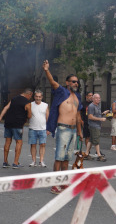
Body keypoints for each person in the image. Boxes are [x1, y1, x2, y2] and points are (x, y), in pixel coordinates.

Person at [42, 60, 83, 194]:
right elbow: (53, 82)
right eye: (73, 81)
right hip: (63, 129)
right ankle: (55, 185)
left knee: (67, 158)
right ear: (67, 83)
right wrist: (47, 70)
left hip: (72, 131)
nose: (76, 83)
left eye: (77, 82)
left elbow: (77, 116)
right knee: (59, 158)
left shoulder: (77, 96)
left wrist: (79, 132)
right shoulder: (62, 92)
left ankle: (64, 183)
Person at [0, 88, 33, 169]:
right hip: (18, 124)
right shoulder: (27, 102)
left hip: (8, 123)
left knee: (7, 142)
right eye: (31, 96)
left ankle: (5, 162)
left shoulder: (13, 99)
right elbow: (29, 116)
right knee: (19, 142)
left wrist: (0, 118)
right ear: (29, 94)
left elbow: (5, 108)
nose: (30, 98)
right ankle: (15, 163)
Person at [84, 93, 109, 161]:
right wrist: (101, 119)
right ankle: (99, 155)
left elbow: (96, 115)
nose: (99, 99)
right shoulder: (91, 106)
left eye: (99, 98)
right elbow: (90, 116)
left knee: (91, 140)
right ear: (93, 99)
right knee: (96, 141)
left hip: (97, 125)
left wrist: (103, 113)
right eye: (97, 98)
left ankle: (86, 154)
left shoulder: (97, 106)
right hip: (93, 126)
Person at [28, 90, 49, 167]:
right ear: (34, 97)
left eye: (39, 96)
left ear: (42, 97)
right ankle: (33, 161)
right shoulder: (30, 104)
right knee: (33, 145)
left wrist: (48, 128)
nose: (38, 98)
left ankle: (41, 161)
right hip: (32, 128)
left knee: (42, 144)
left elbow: (47, 117)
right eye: (36, 96)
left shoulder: (45, 105)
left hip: (43, 129)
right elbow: (27, 115)